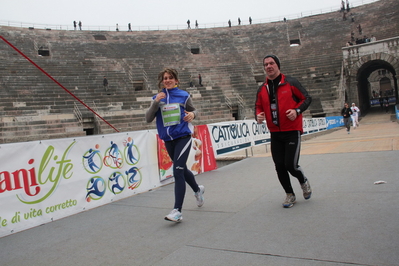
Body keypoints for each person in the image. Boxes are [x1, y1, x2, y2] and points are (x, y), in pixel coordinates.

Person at [145, 68, 204, 222]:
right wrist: (156, 102)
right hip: (168, 139)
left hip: (183, 137)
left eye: (171, 77)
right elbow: (148, 118)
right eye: (165, 78)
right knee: (182, 169)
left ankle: (177, 210)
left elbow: (195, 110)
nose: (168, 80)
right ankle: (198, 190)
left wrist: (193, 114)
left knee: (177, 170)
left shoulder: (183, 96)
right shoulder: (157, 98)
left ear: (176, 80)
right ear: (161, 81)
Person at [255, 55, 312, 208]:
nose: (268, 66)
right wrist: (258, 115)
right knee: (279, 165)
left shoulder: (291, 82)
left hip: (292, 130)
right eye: (266, 64)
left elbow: (306, 98)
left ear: (277, 65)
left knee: (290, 165)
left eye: (271, 63)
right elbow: (258, 106)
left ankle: (303, 181)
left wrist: (297, 110)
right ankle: (289, 194)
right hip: (275, 133)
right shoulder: (262, 88)